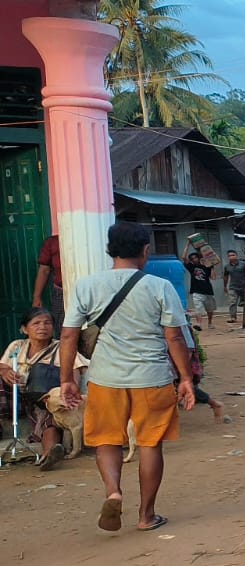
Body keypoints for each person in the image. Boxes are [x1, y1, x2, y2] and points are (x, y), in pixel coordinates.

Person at [59, 221, 195, 533]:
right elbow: (175, 337)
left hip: (105, 378)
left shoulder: (87, 285)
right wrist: (186, 378)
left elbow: (68, 336)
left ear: (110, 250)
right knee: (150, 443)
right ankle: (146, 516)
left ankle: (113, 492)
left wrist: (67, 379)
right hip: (152, 377)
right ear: (145, 251)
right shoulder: (160, 287)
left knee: (106, 440)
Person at [0, 309, 70, 470]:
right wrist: (5, 371)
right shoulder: (17, 346)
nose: (42, 327)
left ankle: (49, 455)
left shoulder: (61, 347)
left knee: (48, 420)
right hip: (16, 396)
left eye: (47, 323)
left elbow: (76, 369)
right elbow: (2, 365)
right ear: (25, 329)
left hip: (42, 398)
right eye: (36, 323)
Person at [32, 234, 64, 333]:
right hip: (60, 292)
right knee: (61, 327)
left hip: (87, 290)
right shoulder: (52, 242)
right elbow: (44, 270)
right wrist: (37, 297)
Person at [186, 252, 217, 330]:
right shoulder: (191, 267)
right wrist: (187, 245)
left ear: (199, 258)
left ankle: (210, 323)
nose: (194, 260)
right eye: (192, 259)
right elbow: (183, 258)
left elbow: (213, 277)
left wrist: (212, 267)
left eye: (195, 258)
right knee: (198, 308)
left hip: (208, 291)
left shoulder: (206, 267)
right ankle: (199, 324)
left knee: (210, 309)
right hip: (196, 291)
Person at [222, 250, 245, 324]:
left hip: (244, 286)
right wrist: (225, 286)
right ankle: (233, 317)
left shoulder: (244, 264)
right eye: (229, 256)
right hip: (233, 287)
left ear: (236, 256)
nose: (231, 257)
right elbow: (226, 276)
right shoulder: (227, 266)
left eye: (233, 255)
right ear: (228, 257)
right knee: (232, 302)